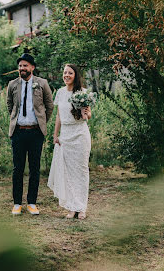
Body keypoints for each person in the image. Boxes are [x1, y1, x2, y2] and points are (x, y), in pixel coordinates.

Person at [7, 53, 54, 215]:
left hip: (35, 133)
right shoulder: (12, 84)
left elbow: (49, 105)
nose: (22, 68)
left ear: (32, 67)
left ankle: (32, 203)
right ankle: (17, 203)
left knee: (35, 168)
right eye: (20, 66)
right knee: (17, 168)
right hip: (18, 132)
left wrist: (41, 122)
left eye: (25, 65)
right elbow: (10, 105)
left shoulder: (42, 83)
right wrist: (16, 120)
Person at [47, 64, 92, 219]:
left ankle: (82, 208)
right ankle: (72, 207)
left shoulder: (83, 93)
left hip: (79, 134)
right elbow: (58, 116)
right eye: (65, 73)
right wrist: (55, 135)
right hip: (65, 134)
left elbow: (88, 115)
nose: (66, 75)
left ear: (75, 75)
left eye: (70, 73)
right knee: (68, 173)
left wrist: (85, 112)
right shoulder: (60, 92)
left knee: (81, 171)